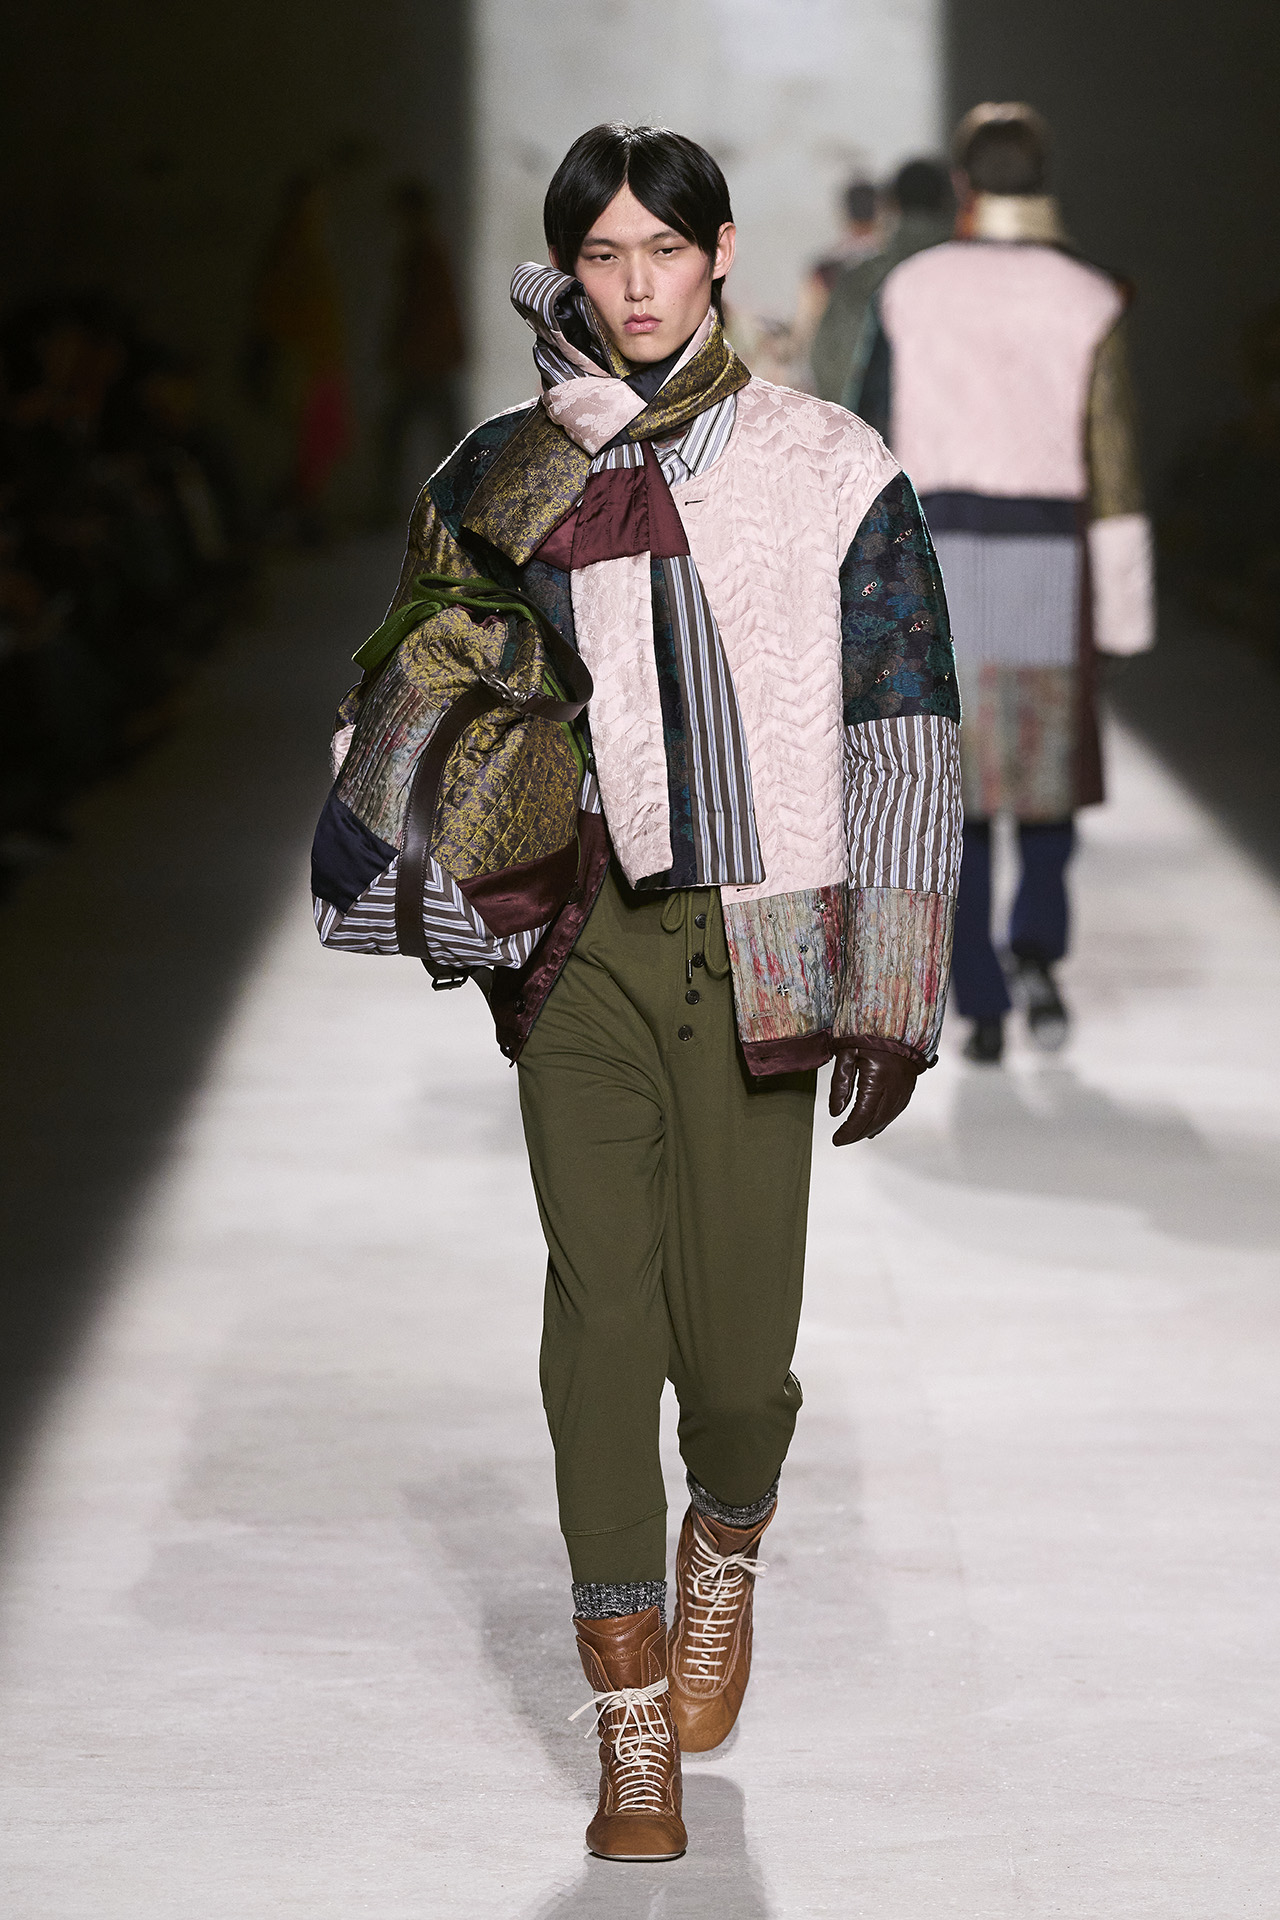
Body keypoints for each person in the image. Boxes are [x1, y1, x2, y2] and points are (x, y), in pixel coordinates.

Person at [322, 123, 961, 1860]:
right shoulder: (501, 470)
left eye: (663, 252)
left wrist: (893, 977)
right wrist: (466, 855)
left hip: (762, 932)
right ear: (569, 270)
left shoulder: (831, 465)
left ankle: (725, 1536)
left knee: (738, 1365)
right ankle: (628, 1726)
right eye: (601, 257)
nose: (635, 286)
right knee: (603, 1319)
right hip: (579, 943)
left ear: (720, 252)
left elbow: (903, 717)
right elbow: (401, 694)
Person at [849, 103, 1155, 1062]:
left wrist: (861, 588)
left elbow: (869, 440)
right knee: (1046, 773)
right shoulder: (1090, 296)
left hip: (939, 553)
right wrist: (1124, 609)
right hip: (1049, 551)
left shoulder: (911, 289)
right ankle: (1038, 957)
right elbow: (1112, 458)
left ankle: (977, 995)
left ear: (964, 182)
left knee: (964, 783)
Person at [809, 157, 953, 405]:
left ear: (892, 205)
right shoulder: (972, 276)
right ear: (950, 202)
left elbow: (826, 362)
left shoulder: (859, 279)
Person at [374, 179, 466, 525]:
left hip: (425, 358)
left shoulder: (423, 254)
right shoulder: (427, 251)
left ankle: (456, 504)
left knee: (405, 432)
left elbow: (418, 311)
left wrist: (402, 350)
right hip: (430, 356)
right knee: (442, 433)